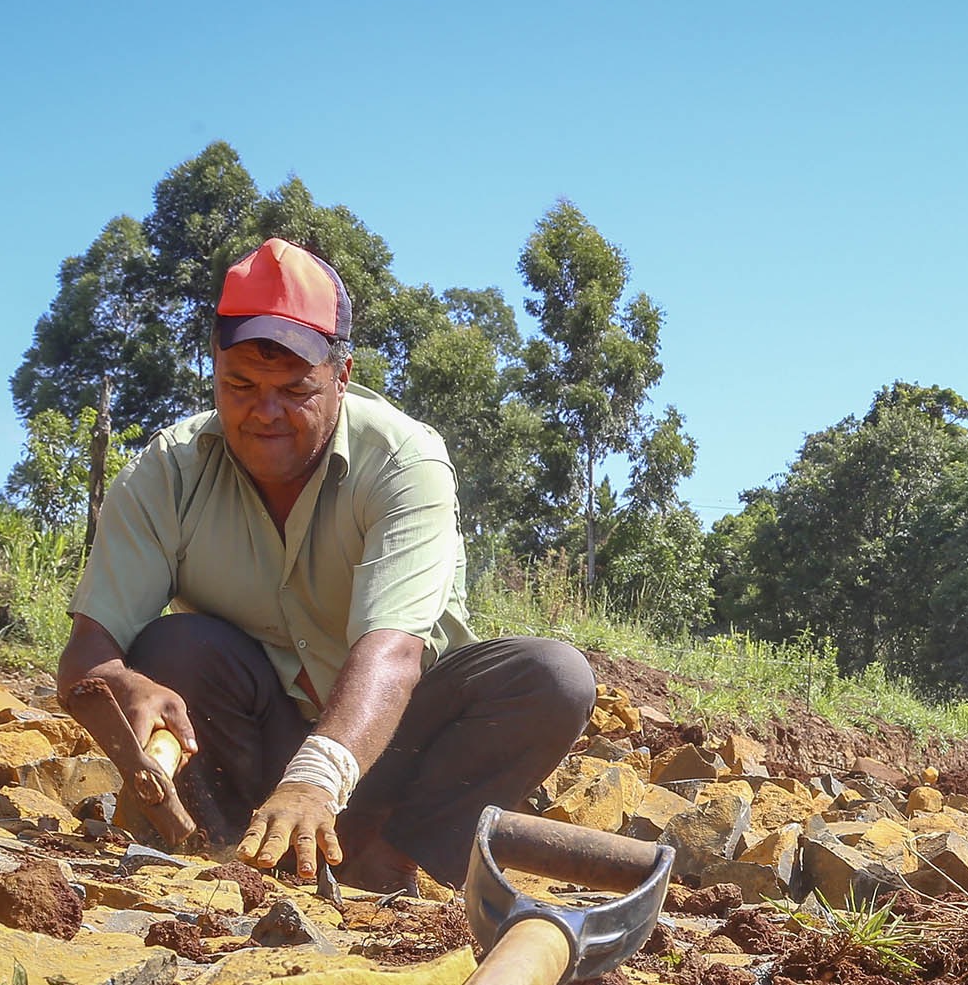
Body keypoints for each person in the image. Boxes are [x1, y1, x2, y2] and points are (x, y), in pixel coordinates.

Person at [58, 237, 595, 891]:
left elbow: (391, 653)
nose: (265, 413)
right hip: (253, 753)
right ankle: (228, 852)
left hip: (391, 753)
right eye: (241, 386)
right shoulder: (170, 471)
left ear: (341, 376)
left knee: (552, 677)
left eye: (294, 389)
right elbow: (87, 653)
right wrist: (123, 688)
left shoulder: (403, 461)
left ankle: (393, 855)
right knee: (175, 646)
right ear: (214, 365)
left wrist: (318, 779)